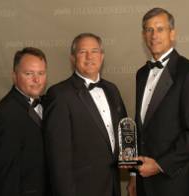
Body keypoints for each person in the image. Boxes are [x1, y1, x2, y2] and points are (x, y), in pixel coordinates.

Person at [126, 7, 189, 196]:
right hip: (142, 182)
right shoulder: (141, 74)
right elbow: (141, 130)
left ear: (172, 33)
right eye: (149, 30)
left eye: (160, 29)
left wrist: (159, 165)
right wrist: (133, 175)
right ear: (143, 35)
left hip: (173, 183)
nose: (154, 35)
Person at [43, 33, 127, 196]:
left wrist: (126, 158)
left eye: (94, 51)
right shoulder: (59, 94)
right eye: (82, 52)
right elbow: (58, 159)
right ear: (73, 58)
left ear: (102, 57)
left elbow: (124, 132)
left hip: (112, 187)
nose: (89, 57)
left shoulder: (112, 90)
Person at [0, 47, 48, 196]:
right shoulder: (3, 115)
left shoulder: (48, 105)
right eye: (29, 73)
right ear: (14, 76)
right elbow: (3, 178)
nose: (36, 80)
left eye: (41, 73)